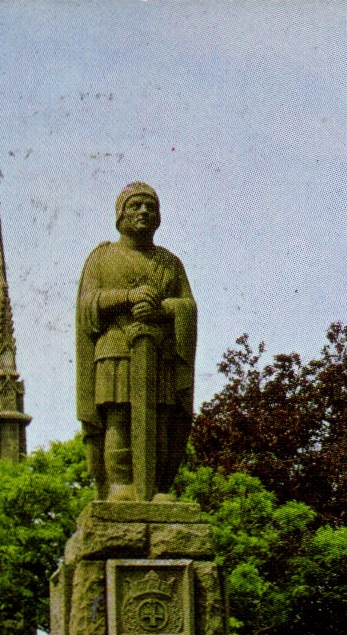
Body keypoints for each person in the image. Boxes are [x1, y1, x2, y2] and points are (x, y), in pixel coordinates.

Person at [76, 182, 196, 501]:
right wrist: (128, 297)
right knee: (118, 417)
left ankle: (156, 487)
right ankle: (120, 483)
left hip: (160, 353)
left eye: (150, 206)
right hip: (115, 349)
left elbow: (188, 306)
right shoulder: (102, 257)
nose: (144, 211)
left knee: (159, 418)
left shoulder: (170, 263)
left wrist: (163, 308)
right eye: (136, 205)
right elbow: (88, 303)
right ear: (120, 215)